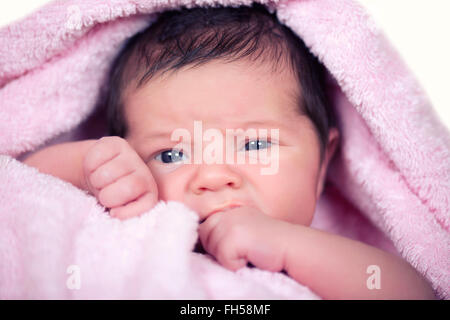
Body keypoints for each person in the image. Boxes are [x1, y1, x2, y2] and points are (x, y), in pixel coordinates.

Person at [22, 3, 435, 299]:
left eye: (255, 145)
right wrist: (92, 167)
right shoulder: (129, 224)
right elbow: (24, 191)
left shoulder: (331, 259)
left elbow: (416, 293)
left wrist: (289, 247)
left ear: (324, 163)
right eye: (171, 155)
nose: (213, 177)